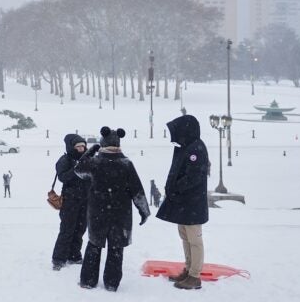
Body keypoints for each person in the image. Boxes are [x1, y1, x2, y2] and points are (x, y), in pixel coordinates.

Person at [75, 127, 149, 292]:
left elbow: (78, 170)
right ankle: (111, 283)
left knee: (94, 246)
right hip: (120, 215)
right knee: (116, 249)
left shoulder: (94, 162)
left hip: (97, 213)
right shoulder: (126, 164)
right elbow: (137, 191)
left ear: (103, 143)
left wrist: (91, 151)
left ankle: (88, 280)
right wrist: (144, 211)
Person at [156, 115, 209, 290]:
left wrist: (175, 187)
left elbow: (193, 177)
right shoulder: (186, 147)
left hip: (192, 202)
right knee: (185, 237)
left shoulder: (196, 149)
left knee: (194, 239)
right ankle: (188, 269)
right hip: (184, 202)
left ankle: (195, 276)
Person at [51, 134, 91, 270]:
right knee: (67, 230)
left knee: (80, 229)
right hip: (70, 201)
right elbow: (63, 177)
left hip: (85, 201)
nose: (81, 149)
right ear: (71, 147)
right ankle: (58, 259)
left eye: (83, 146)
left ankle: (74, 255)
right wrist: (76, 169)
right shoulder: (65, 160)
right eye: (78, 146)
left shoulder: (88, 159)